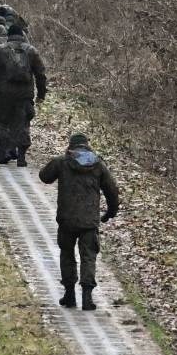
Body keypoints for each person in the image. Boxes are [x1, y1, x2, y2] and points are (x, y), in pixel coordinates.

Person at [38, 133, 120, 311]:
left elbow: (44, 176)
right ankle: (87, 297)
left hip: (67, 220)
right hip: (89, 221)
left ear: (71, 146)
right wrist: (110, 213)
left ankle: (69, 294)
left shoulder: (62, 162)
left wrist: (60, 162)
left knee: (67, 255)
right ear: (87, 146)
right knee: (88, 256)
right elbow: (112, 192)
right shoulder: (98, 165)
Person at [0, 24, 47, 165]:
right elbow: (41, 74)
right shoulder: (31, 51)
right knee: (23, 123)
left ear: (8, 35)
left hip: (4, 93)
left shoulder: (0, 50)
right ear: (22, 35)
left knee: (2, 122)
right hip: (25, 94)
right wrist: (41, 94)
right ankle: (22, 156)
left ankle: (5, 151)